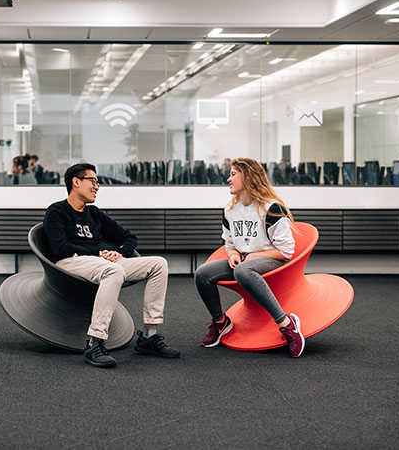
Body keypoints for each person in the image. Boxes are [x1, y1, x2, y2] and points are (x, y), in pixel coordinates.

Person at [43, 163, 180, 368]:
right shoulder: (57, 211)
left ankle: (150, 336)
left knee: (158, 264)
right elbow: (59, 247)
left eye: (98, 183)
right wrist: (98, 253)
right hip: (71, 261)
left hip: (102, 263)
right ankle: (95, 341)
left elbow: (129, 237)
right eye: (93, 181)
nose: (97, 186)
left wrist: (120, 253)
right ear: (76, 181)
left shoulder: (94, 214)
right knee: (114, 270)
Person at [193, 157, 305, 357]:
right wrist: (234, 253)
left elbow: (286, 251)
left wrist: (254, 255)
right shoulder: (230, 210)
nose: (229, 179)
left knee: (244, 270)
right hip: (245, 262)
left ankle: (287, 324)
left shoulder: (271, 208)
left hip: (274, 260)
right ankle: (220, 323)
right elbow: (229, 243)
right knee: (203, 273)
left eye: (233, 174)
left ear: (248, 177)